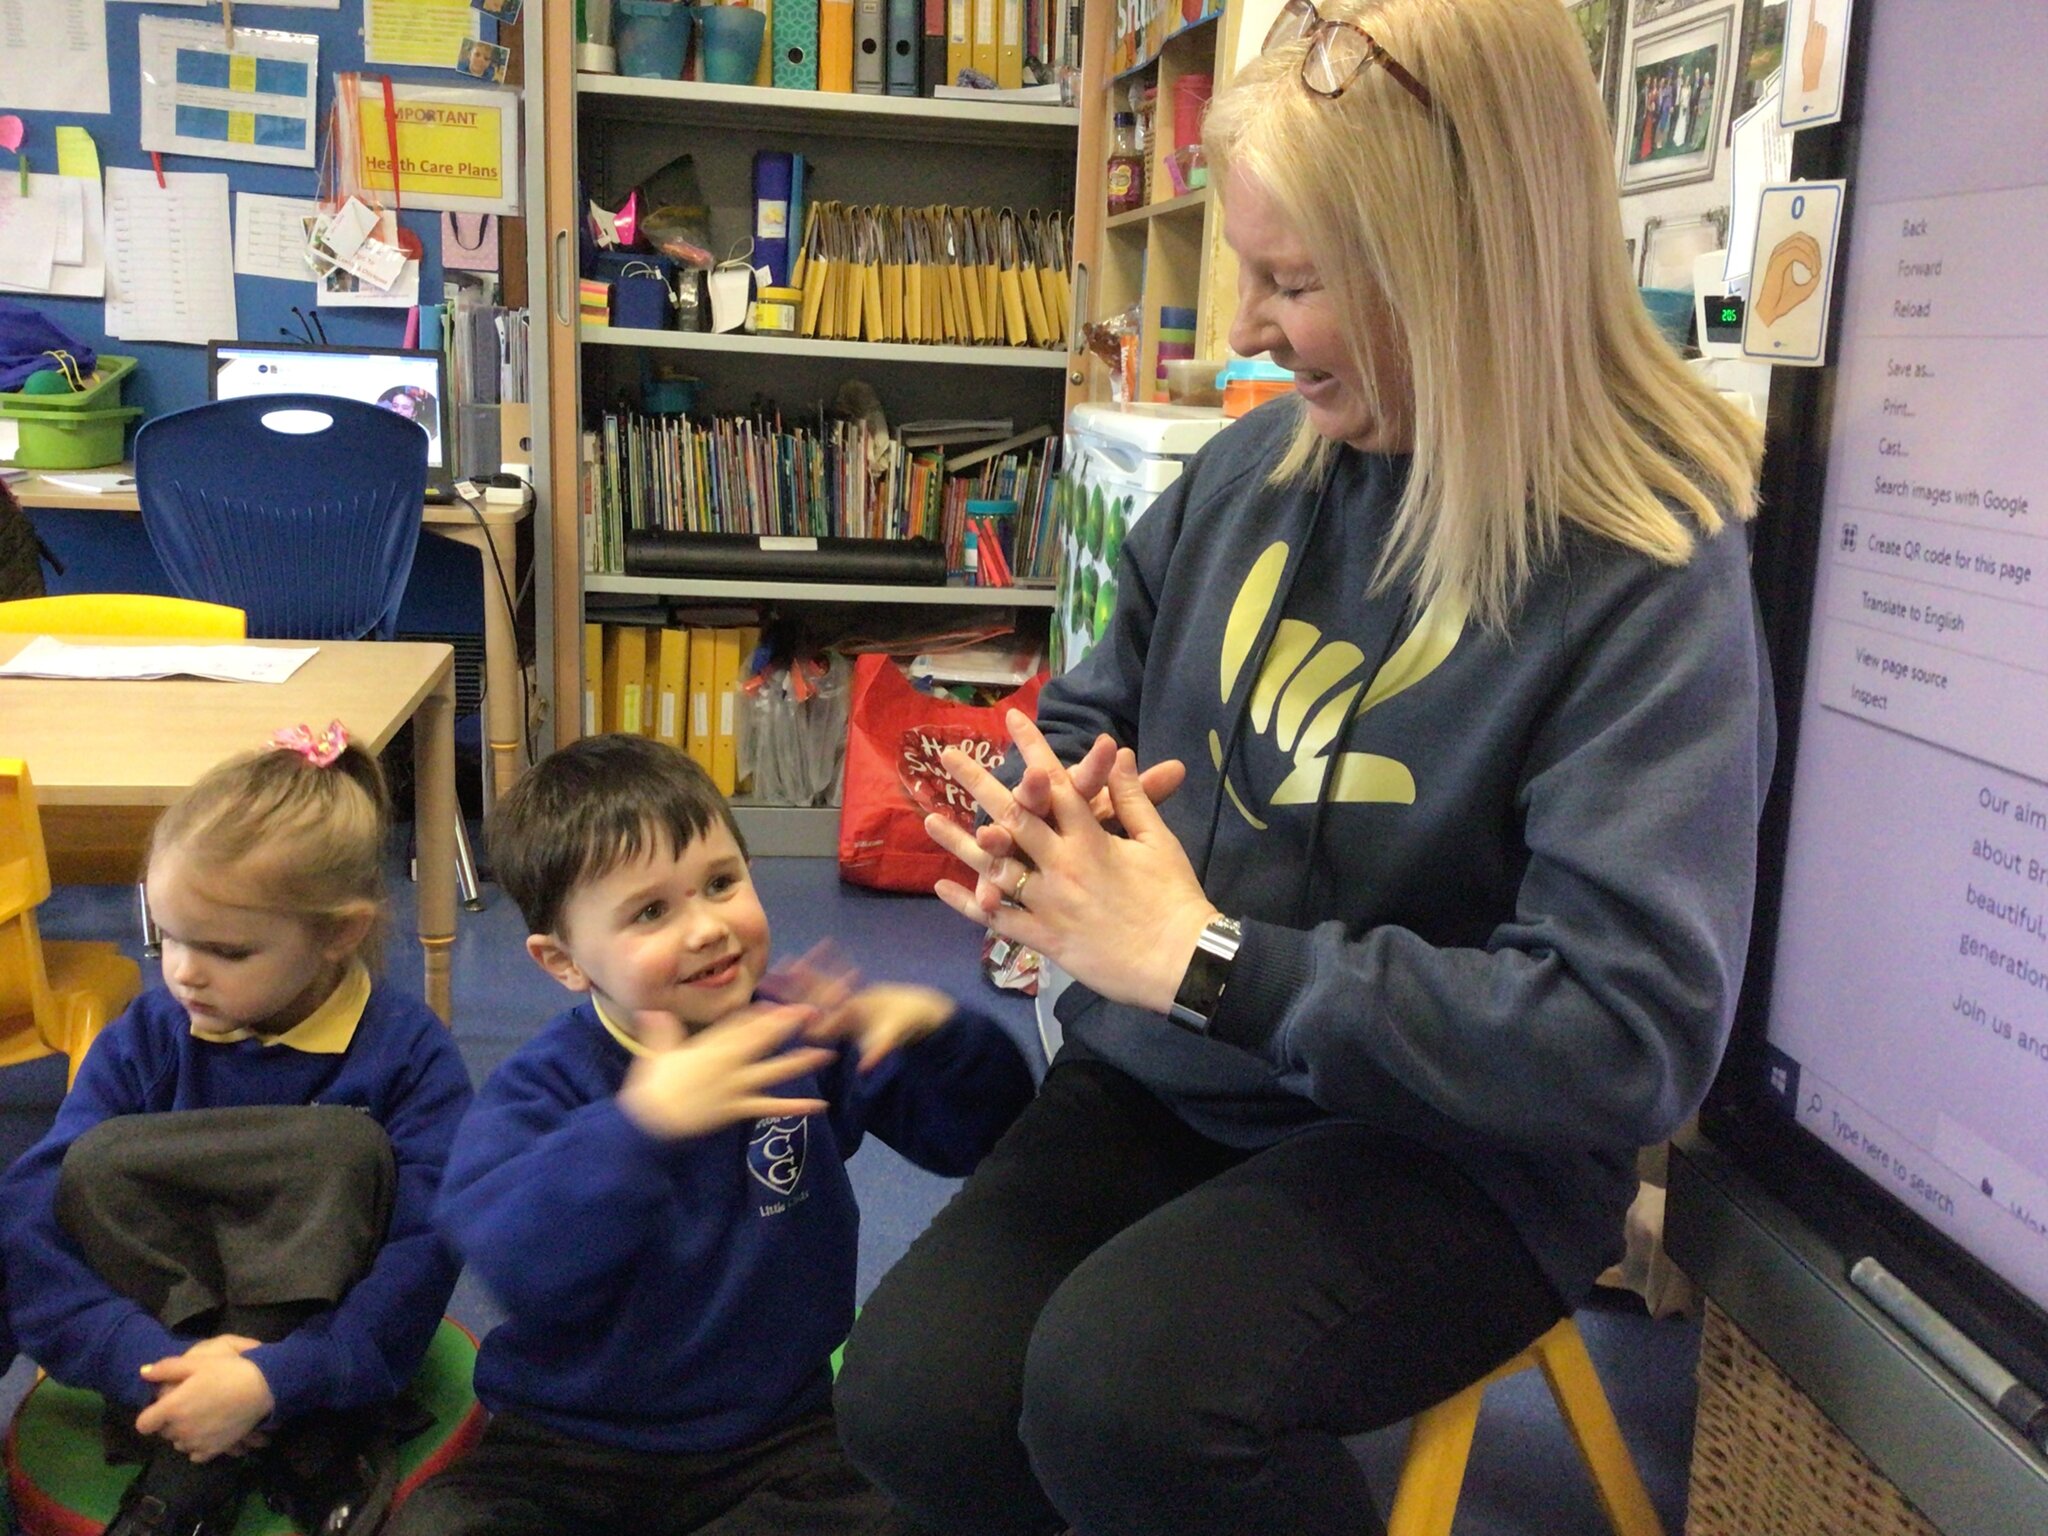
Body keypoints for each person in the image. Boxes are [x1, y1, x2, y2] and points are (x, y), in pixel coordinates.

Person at [833, 2, 1774, 1533]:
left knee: (1127, 1398)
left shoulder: (1643, 573)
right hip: (1173, 1074)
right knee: (912, 1398)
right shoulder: (1246, 480)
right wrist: (1039, 826)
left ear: (1460, 273)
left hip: (1454, 1148)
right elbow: (1089, 718)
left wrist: (1207, 960)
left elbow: (1622, 1035)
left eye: (1292, 282)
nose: (1245, 334)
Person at [386, 734, 1034, 1536]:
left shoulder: (800, 1032)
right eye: (652, 911)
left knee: (911, 1509)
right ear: (563, 961)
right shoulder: (539, 1089)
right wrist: (645, 1126)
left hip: (778, 1436)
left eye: (722, 883)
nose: (706, 928)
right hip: (567, 1445)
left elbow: (981, 1138)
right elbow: (520, 1264)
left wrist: (936, 1034)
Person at [0, 722, 474, 1536]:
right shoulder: (152, 1033)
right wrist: (154, 1369)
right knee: (87, 1162)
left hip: (318, 1348)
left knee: (341, 1147)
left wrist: (283, 1376)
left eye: (223, 949)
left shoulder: (409, 1055)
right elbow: (37, 1213)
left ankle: (255, 1453)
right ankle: (207, 1442)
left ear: (339, 934)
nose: (183, 970)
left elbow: (423, 1254)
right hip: (165, 1345)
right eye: (168, 934)